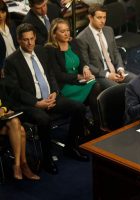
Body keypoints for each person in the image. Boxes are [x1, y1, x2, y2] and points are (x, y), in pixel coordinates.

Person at [4, 23, 89, 175]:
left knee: (79, 108)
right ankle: (47, 159)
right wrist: (37, 103)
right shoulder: (12, 61)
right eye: (25, 40)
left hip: (50, 97)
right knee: (44, 120)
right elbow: (15, 91)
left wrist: (55, 92)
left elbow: (50, 75)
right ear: (18, 40)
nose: (30, 43)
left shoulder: (41, 51)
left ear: (35, 37)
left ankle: (71, 147)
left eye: (32, 39)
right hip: (31, 104)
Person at [45, 18, 102, 134]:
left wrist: (85, 68)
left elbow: (81, 61)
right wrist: (79, 77)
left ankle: (97, 123)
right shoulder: (50, 49)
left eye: (68, 30)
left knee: (96, 85)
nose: (67, 34)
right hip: (64, 86)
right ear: (54, 34)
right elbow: (58, 75)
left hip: (78, 81)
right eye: (62, 31)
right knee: (93, 89)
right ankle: (87, 125)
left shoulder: (73, 42)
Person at [77, 4, 136, 91]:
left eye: (104, 17)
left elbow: (115, 52)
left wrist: (120, 68)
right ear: (90, 17)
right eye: (99, 17)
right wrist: (108, 75)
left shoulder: (109, 30)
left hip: (115, 70)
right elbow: (86, 64)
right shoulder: (82, 38)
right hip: (100, 75)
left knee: (138, 81)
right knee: (119, 90)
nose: (102, 21)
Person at [0, 80, 40, 180]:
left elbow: (6, 100)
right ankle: (22, 165)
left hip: (3, 120)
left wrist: (3, 109)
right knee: (20, 130)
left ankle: (18, 165)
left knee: (16, 123)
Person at [0, 0, 18, 78]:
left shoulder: (12, 24)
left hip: (17, 60)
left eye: (3, 12)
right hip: (4, 66)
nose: (0, 16)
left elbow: (17, 44)